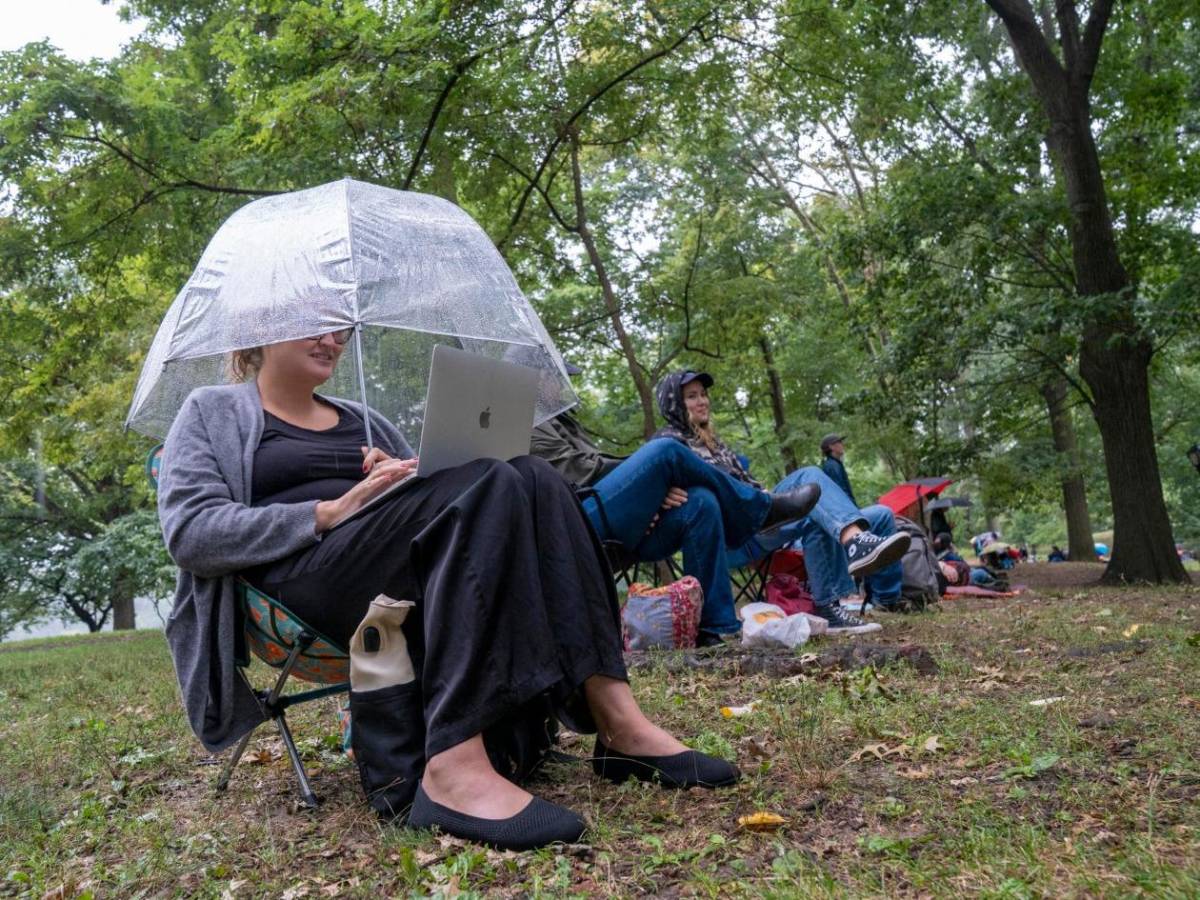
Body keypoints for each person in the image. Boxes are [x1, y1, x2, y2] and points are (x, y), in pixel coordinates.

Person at [156, 330, 739, 852]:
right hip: (299, 582)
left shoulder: (363, 417)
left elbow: (427, 498)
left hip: (397, 565)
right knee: (489, 481)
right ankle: (452, 767)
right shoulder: (211, 412)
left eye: (339, 326)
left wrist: (399, 478)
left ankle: (618, 723)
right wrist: (328, 510)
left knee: (533, 475)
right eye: (313, 324)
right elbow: (192, 533)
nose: (332, 338)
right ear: (262, 330)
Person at [529, 373, 820, 647]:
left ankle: (710, 628)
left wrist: (649, 486)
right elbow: (576, 472)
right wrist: (649, 479)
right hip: (578, 522)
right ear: (533, 375)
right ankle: (760, 509)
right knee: (666, 451)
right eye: (554, 376)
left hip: (621, 522)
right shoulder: (528, 416)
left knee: (702, 502)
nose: (562, 383)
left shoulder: (563, 420)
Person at [652, 370, 910, 635]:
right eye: (692, 397)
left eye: (703, 394)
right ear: (674, 404)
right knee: (809, 478)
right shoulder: (668, 443)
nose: (702, 401)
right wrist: (661, 494)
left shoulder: (715, 444)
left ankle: (875, 600)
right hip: (734, 535)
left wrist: (761, 491)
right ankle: (854, 545)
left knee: (880, 513)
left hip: (762, 518)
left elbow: (747, 483)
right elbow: (645, 483)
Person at [819, 433, 857, 506]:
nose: (842, 444)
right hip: (848, 512)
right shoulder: (832, 466)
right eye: (839, 442)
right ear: (831, 447)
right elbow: (840, 493)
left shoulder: (835, 464)